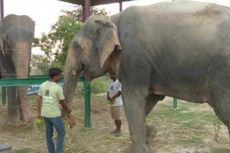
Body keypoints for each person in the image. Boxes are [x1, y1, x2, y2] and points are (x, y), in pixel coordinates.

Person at [36, 67, 72, 153]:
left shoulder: (43, 85)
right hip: (54, 115)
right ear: (55, 76)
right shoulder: (57, 88)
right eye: (60, 75)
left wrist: (39, 113)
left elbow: (38, 99)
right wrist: (68, 110)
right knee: (61, 132)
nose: (60, 77)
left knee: (49, 135)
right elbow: (62, 102)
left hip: (45, 114)